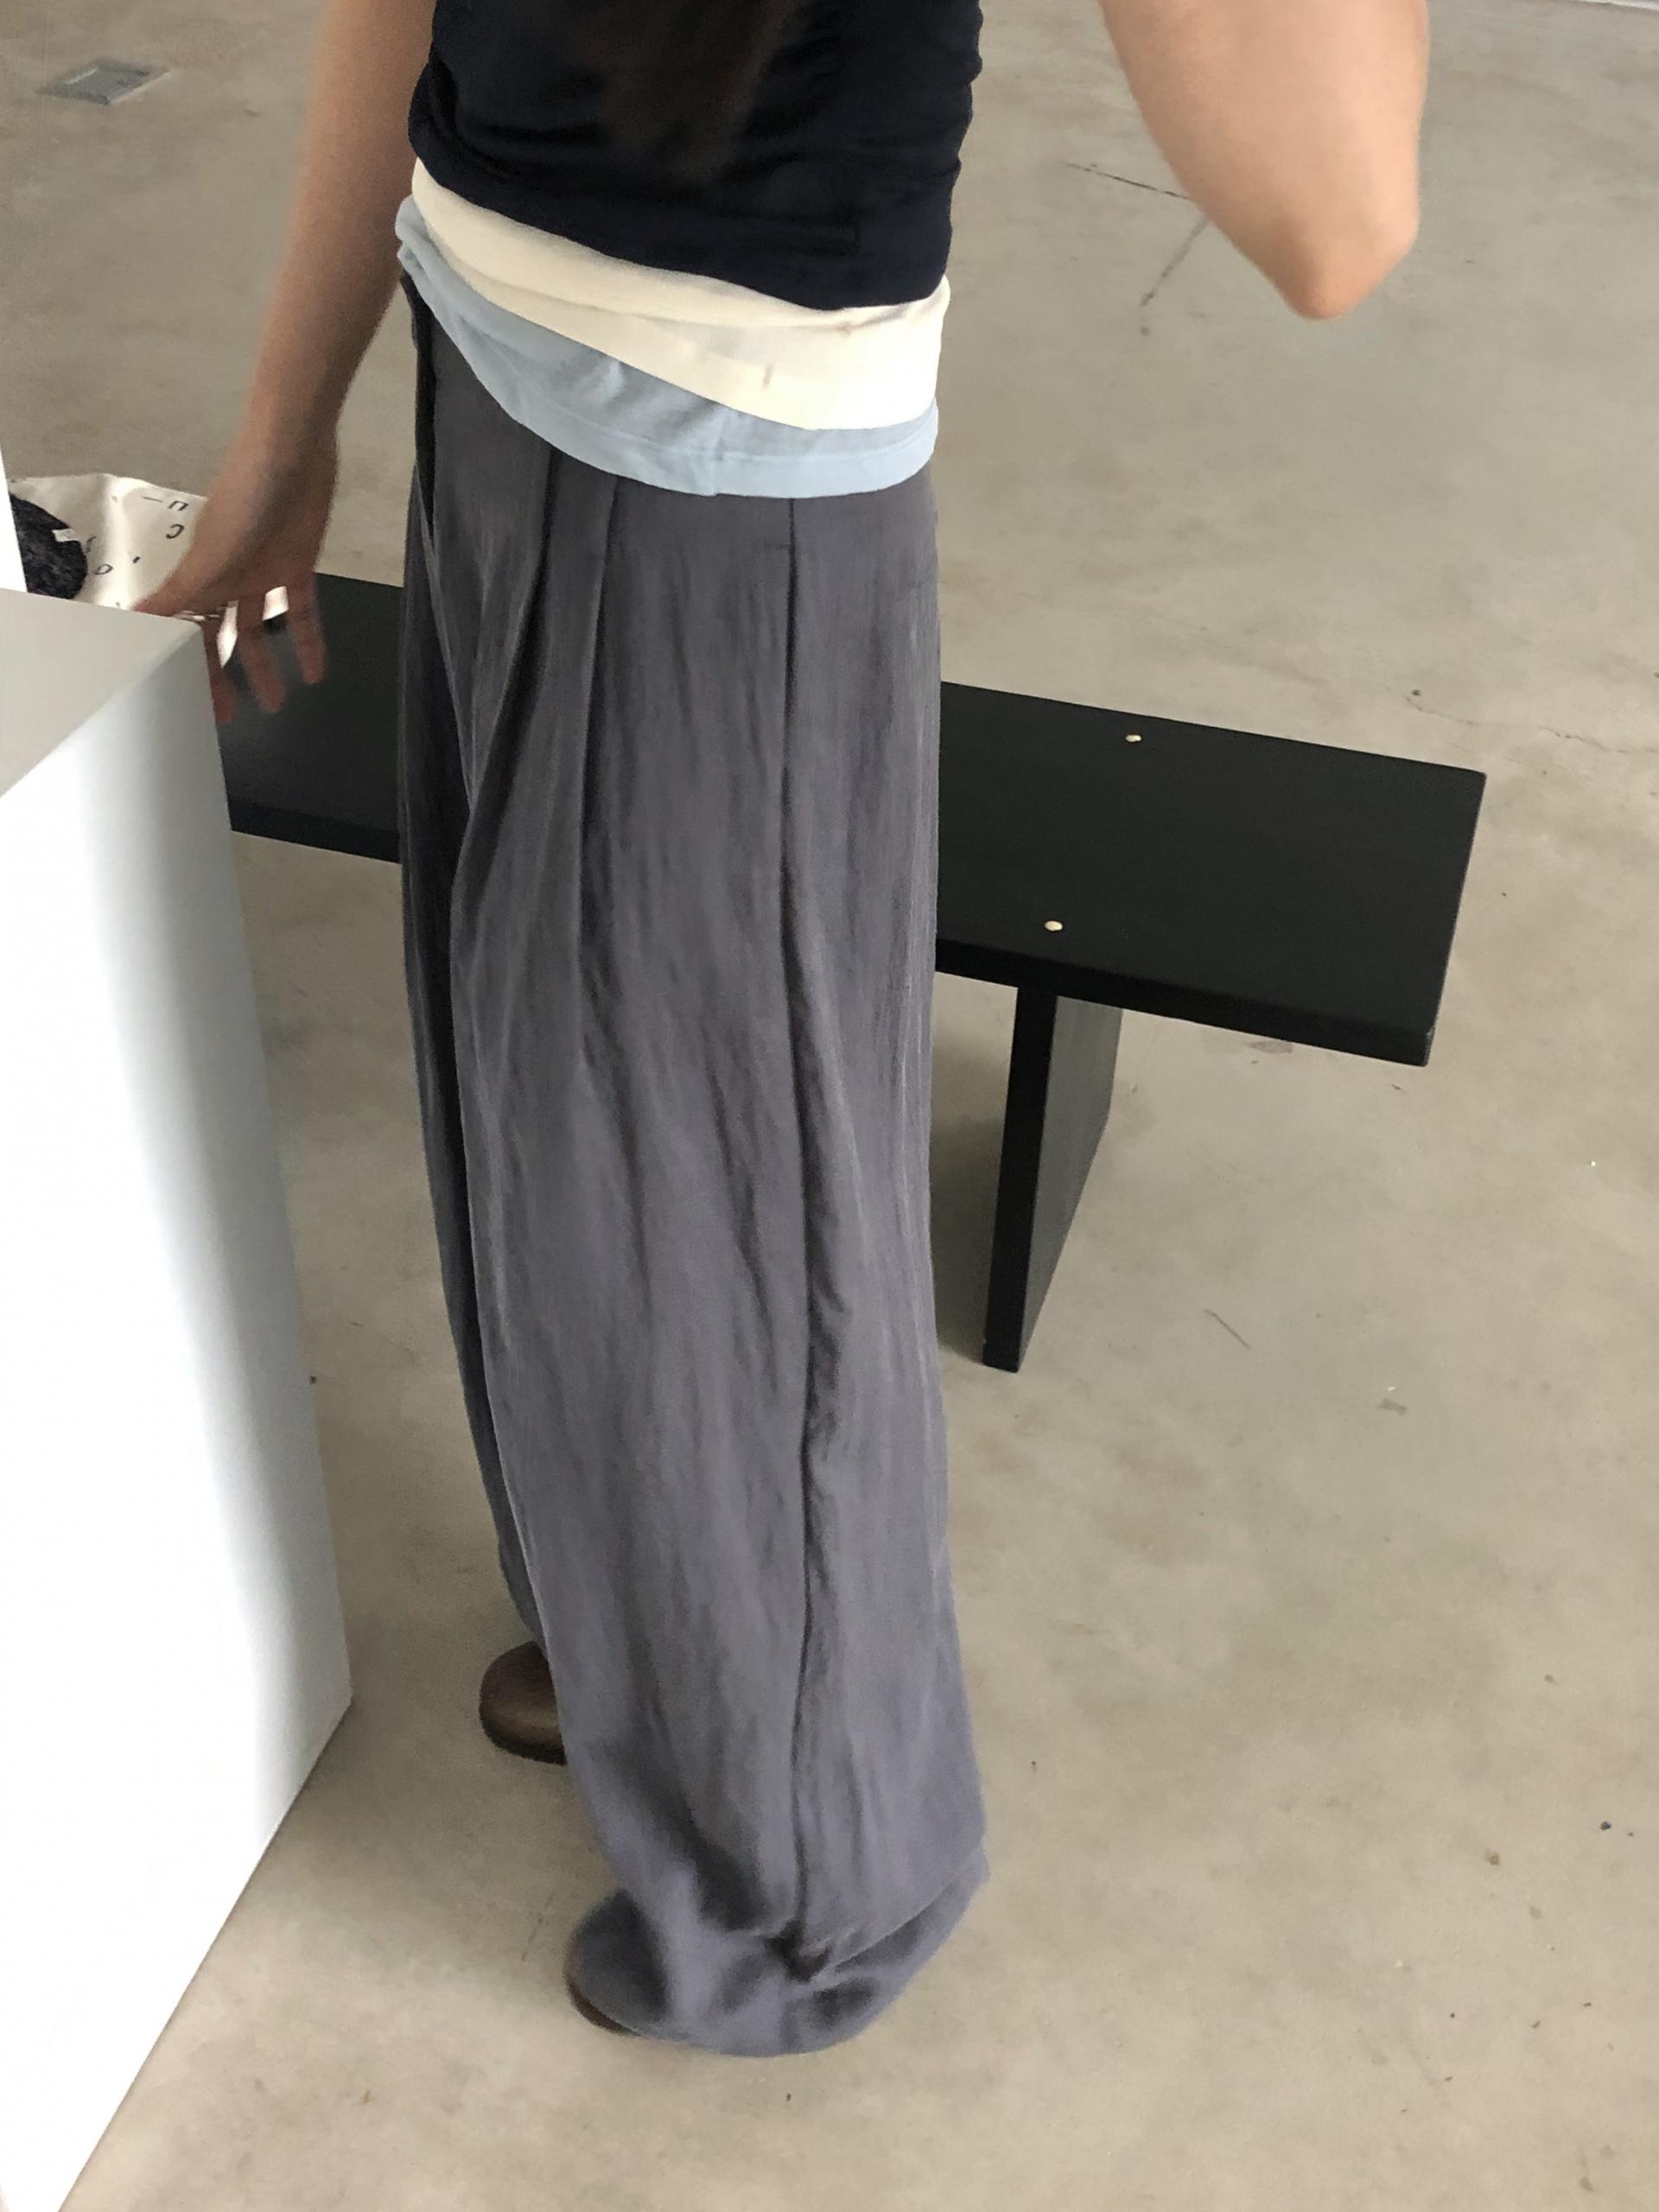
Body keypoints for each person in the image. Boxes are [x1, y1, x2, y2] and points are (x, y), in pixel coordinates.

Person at [141, 0, 1429, 2054]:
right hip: (487, 336)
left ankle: (816, 1882)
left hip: (723, 462)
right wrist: (290, 425)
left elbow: (1332, 214)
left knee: (721, 1230)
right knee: (555, 1154)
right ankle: (650, 1641)